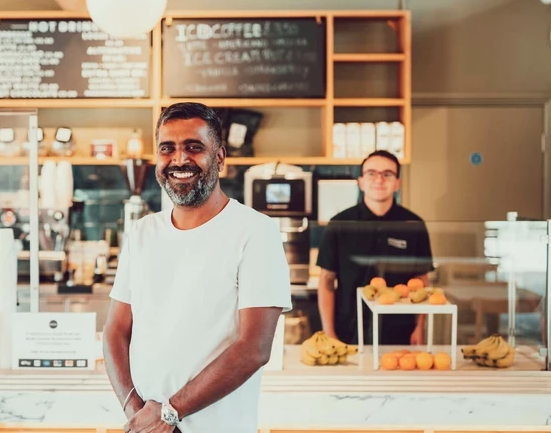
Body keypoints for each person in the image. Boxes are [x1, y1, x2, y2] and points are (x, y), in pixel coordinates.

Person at [102, 102, 291, 433]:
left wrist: (171, 412)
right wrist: (137, 413)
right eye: (167, 149)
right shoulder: (143, 233)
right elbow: (116, 331)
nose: (179, 160)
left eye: (194, 147)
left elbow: (255, 348)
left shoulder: (256, 232)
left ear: (218, 158)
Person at [316, 150, 434, 346]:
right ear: (361, 181)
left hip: (399, 333)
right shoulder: (339, 224)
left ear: (397, 183)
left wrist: (419, 328)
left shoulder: (414, 224)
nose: (379, 180)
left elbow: (421, 281)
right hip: (348, 331)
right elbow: (326, 282)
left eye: (387, 174)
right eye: (371, 173)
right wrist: (329, 333)